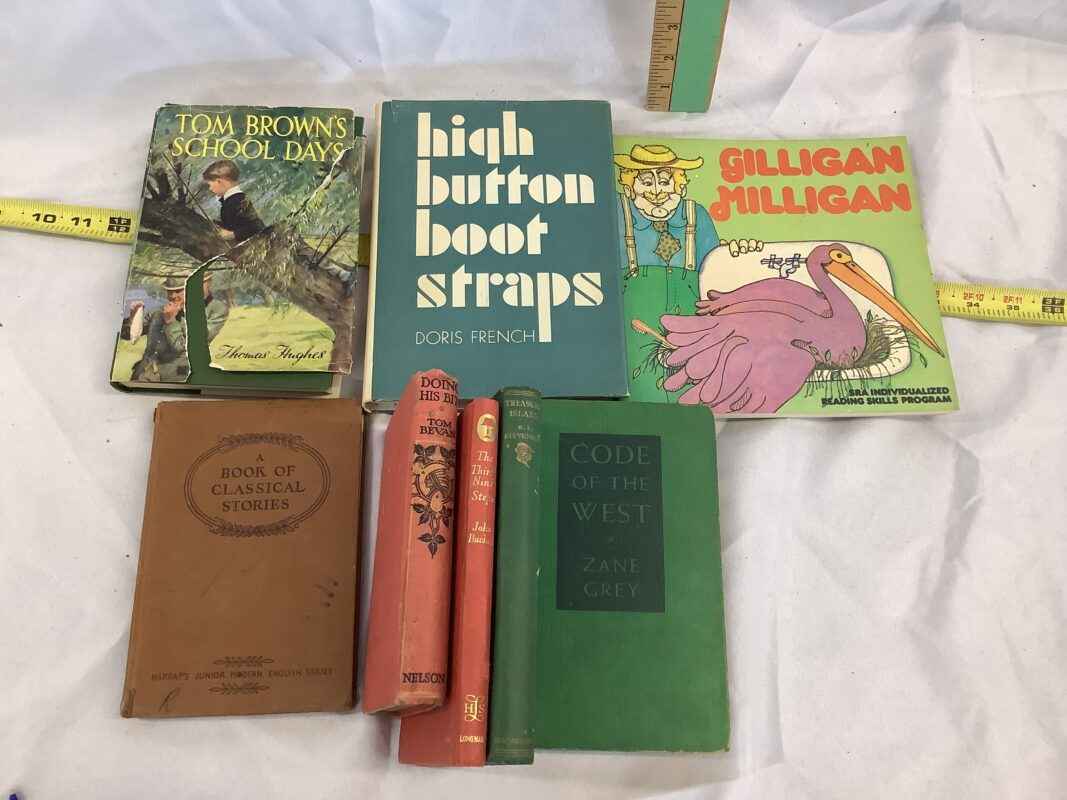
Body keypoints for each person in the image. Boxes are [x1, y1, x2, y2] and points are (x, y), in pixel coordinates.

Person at [614, 144, 761, 400]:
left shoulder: (697, 215)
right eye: (646, 182)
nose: (657, 192)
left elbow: (715, 273)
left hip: (691, 326)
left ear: (680, 185)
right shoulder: (616, 212)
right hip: (634, 328)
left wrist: (736, 254)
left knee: (689, 392)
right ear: (629, 187)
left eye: (665, 181)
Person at [201, 159, 356, 294]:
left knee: (307, 256)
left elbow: (255, 226)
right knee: (306, 256)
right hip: (268, 239)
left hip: (272, 239)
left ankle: (344, 275)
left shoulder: (236, 200)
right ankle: (343, 273)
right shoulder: (231, 201)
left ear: (220, 181)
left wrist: (232, 234)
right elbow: (237, 223)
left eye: (210, 185)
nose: (210, 189)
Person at [126, 277, 190, 382]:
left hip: (171, 378)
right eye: (169, 292)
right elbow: (128, 335)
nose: (173, 296)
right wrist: (133, 317)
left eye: (178, 291)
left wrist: (170, 321)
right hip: (143, 374)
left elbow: (180, 348)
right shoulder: (156, 312)